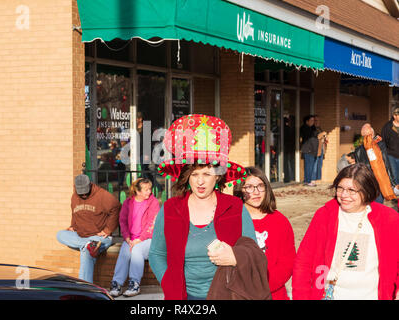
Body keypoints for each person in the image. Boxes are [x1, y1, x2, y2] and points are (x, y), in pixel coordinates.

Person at [148, 114, 260, 300]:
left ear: (218, 176)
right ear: (186, 177)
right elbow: (156, 253)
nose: (200, 181)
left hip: (228, 295)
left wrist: (236, 258)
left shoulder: (235, 207)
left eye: (207, 174)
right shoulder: (170, 209)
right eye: (194, 174)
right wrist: (169, 282)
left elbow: (253, 252)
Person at [292, 163, 399, 300]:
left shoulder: (388, 219)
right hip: (330, 295)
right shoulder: (325, 215)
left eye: (351, 190)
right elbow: (303, 262)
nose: (344, 195)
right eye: (340, 188)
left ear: (367, 190)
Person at [234, 166, 296, 300]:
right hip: (240, 293)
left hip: (273, 293)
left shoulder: (280, 221)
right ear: (240, 190)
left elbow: (287, 263)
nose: (256, 192)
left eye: (260, 186)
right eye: (249, 187)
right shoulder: (233, 220)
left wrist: (262, 285)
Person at [56, 174, 121, 283]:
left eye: (86, 190)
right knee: (60, 234)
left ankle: (84, 289)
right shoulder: (74, 197)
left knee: (86, 252)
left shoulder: (102, 195)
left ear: (90, 185)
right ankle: (88, 244)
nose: (84, 194)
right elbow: (75, 213)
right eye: (81, 192)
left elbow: (117, 208)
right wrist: (73, 226)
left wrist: (108, 229)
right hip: (82, 235)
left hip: (99, 237)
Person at [109, 178, 160, 297]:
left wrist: (139, 240)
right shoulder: (128, 203)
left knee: (137, 250)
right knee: (124, 251)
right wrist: (127, 238)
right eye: (146, 190)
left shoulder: (153, 202)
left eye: (149, 189)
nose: (149, 192)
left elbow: (152, 224)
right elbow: (123, 222)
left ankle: (135, 284)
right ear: (138, 191)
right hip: (131, 239)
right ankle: (117, 284)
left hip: (148, 239)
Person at [354, 123, 395, 203]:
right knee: (377, 205)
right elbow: (386, 164)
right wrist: (392, 181)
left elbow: (358, 169)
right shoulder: (380, 146)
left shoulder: (358, 150)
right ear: (372, 134)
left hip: (366, 181)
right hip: (376, 181)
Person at [381, 106, 399, 187]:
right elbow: (383, 141)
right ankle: (396, 194)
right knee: (394, 175)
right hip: (391, 154)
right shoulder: (387, 127)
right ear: (394, 116)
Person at [300, 115, 318, 187]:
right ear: (306, 121)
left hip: (312, 150)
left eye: (313, 121)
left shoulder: (312, 128)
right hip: (308, 150)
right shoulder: (305, 128)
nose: (313, 122)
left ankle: (309, 180)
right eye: (311, 121)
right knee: (308, 166)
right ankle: (307, 181)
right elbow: (310, 136)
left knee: (311, 166)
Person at [311, 115, 328, 184]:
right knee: (314, 165)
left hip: (321, 148)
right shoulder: (312, 129)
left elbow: (322, 136)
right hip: (316, 149)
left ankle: (318, 178)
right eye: (316, 120)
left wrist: (325, 137)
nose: (317, 122)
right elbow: (317, 137)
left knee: (319, 165)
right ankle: (313, 179)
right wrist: (322, 134)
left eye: (318, 120)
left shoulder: (319, 128)